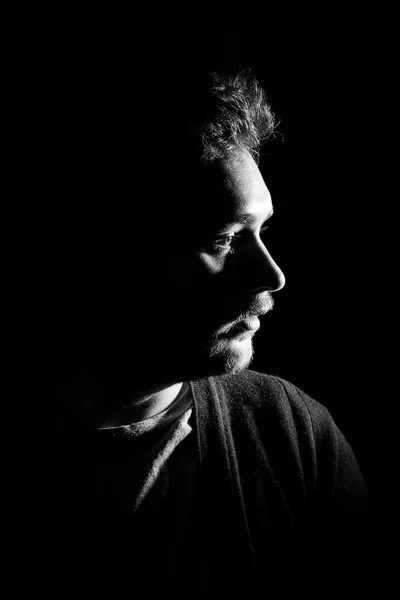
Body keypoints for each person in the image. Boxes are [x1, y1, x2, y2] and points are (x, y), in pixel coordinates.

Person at [41, 69, 370, 596]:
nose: (272, 276)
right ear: (111, 250)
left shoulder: (290, 433)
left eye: (262, 232)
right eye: (224, 239)